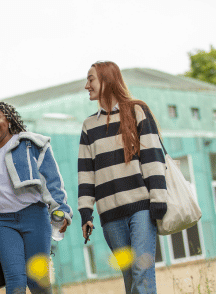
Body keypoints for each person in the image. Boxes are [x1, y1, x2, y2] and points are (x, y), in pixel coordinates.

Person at [0, 101, 73, 294]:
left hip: (34, 216)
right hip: (1, 222)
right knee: (15, 280)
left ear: (8, 118)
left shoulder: (31, 145)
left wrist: (62, 211)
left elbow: (52, 181)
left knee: (38, 281)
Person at [78, 61, 167, 294]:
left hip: (142, 209)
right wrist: (85, 211)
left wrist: (158, 199)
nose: (86, 85)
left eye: (90, 79)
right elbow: (86, 172)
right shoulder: (89, 126)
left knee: (141, 271)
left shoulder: (137, 111)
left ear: (106, 80)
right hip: (110, 216)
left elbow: (153, 156)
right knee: (130, 279)